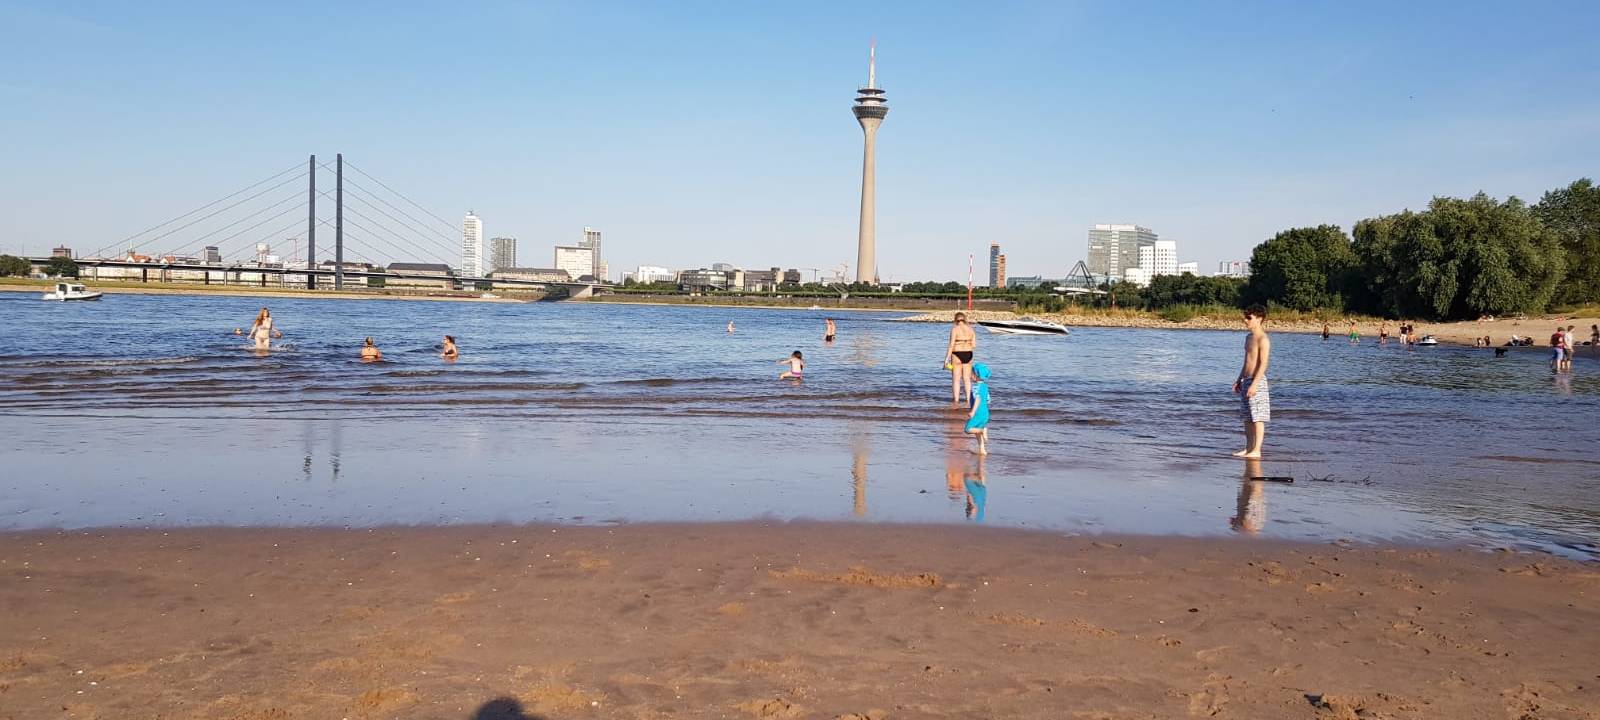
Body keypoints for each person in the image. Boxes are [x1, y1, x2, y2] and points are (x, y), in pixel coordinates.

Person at [1232, 304, 1272, 459]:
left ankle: (1257, 449)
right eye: (1245, 317)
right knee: (1247, 417)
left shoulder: (1263, 339)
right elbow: (1246, 362)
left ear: (1259, 318)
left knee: (1258, 417)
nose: (1245, 320)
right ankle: (1248, 448)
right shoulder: (1248, 338)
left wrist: (1255, 383)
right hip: (1246, 380)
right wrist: (1238, 380)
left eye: (1249, 317)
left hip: (1258, 382)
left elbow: (1263, 364)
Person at [945, 312, 978, 405]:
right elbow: (974, 345)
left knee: (956, 379)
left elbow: (951, 345)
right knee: (967, 379)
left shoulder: (954, 329)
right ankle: (968, 400)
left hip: (957, 353)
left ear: (955, 320)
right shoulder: (971, 329)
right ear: (965, 319)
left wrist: (946, 359)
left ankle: (956, 401)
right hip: (969, 353)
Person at [964, 362, 992, 455]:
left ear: (976, 375)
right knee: (976, 432)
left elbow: (978, 399)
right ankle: (982, 449)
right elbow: (988, 400)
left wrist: (973, 411)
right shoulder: (985, 386)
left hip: (978, 412)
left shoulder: (976, 387)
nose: (970, 375)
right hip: (985, 413)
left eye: (971, 373)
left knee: (968, 429)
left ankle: (982, 430)